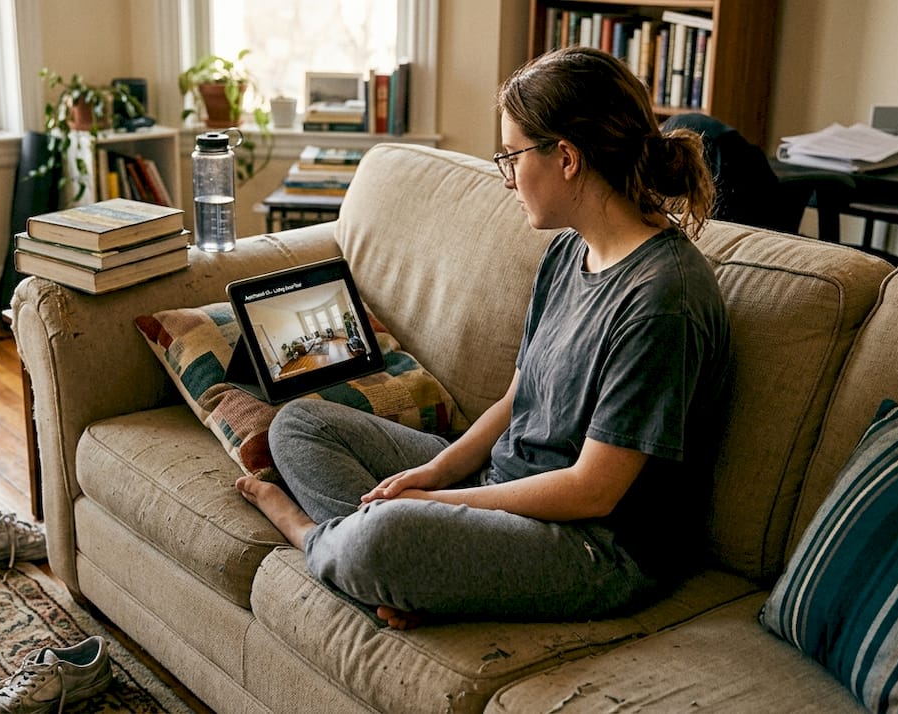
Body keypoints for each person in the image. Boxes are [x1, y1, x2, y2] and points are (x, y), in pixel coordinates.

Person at [236, 47, 730, 630]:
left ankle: (312, 538)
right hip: (509, 484)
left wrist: (437, 507)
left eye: (513, 157)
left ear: (567, 158)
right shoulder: (569, 250)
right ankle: (417, 576)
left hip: (595, 546)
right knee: (300, 425)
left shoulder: (661, 301)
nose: (508, 178)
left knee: (385, 536)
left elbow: (592, 492)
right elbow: (515, 400)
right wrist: (437, 473)